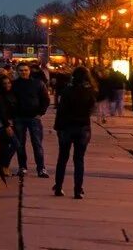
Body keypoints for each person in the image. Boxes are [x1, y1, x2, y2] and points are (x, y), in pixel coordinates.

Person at [53, 66, 99, 198]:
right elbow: (92, 110)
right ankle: (78, 190)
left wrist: (58, 128)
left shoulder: (67, 91)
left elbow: (61, 111)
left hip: (66, 127)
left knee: (62, 158)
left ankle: (58, 186)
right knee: (79, 160)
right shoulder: (90, 91)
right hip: (83, 127)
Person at [12, 64, 50, 178]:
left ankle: (41, 168)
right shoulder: (14, 84)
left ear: (29, 71)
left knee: (37, 144)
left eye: (25, 70)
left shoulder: (38, 83)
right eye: (21, 70)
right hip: (19, 117)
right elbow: (2, 94)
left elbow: (45, 99)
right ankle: (22, 167)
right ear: (17, 71)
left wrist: (40, 113)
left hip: (34, 118)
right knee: (20, 144)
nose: (24, 72)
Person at [0, 71, 18, 179]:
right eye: (4, 83)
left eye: (9, 83)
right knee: (15, 144)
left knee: (5, 146)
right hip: (2, 123)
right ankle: (3, 167)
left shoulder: (11, 93)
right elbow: (1, 111)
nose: (7, 85)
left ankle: (3, 168)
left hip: (9, 122)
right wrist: (7, 126)